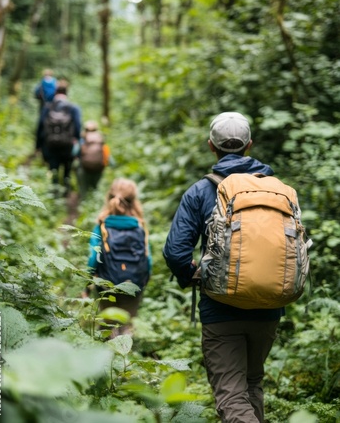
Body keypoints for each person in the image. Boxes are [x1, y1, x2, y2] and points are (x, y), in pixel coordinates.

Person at [163, 112, 284, 423]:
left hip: (221, 309)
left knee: (230, 393)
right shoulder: (277, 189)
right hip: (269, 305)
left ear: (211, 147)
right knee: (252, 383)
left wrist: (198, 276)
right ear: (250, 145)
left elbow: (175, 252)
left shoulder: (202, 192)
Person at [85, 178, 152, 338]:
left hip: (107, 284)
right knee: (127, 324)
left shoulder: (102, 226)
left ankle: (108, 357)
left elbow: (93, 258)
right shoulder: (139, 226)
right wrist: (143, 281)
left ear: (109, 198)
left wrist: (87, 284)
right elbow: (148, 260)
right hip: (133, 284)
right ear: (133, 202)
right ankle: (125, 356)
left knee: (108, 324)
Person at [36, 79, 81, 194]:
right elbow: (77, 126)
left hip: (50, 145)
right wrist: (77, 142)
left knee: (53, 169)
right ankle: (66, 190)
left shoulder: (47, 107)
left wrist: (38, 146)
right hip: (68, 145)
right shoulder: (73, 108)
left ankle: (54, 194)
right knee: (67, 169)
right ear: (67, 92)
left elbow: (40, 127)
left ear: (55, 92)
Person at [75, 120, 114, 198]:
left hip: (84, 169)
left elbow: (74, 152)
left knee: (83, 189)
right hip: (98, 169)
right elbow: (111, 160)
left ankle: (83, 205)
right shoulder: (100, 140)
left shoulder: (82, 140)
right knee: (95, 189)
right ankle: (94, 205)